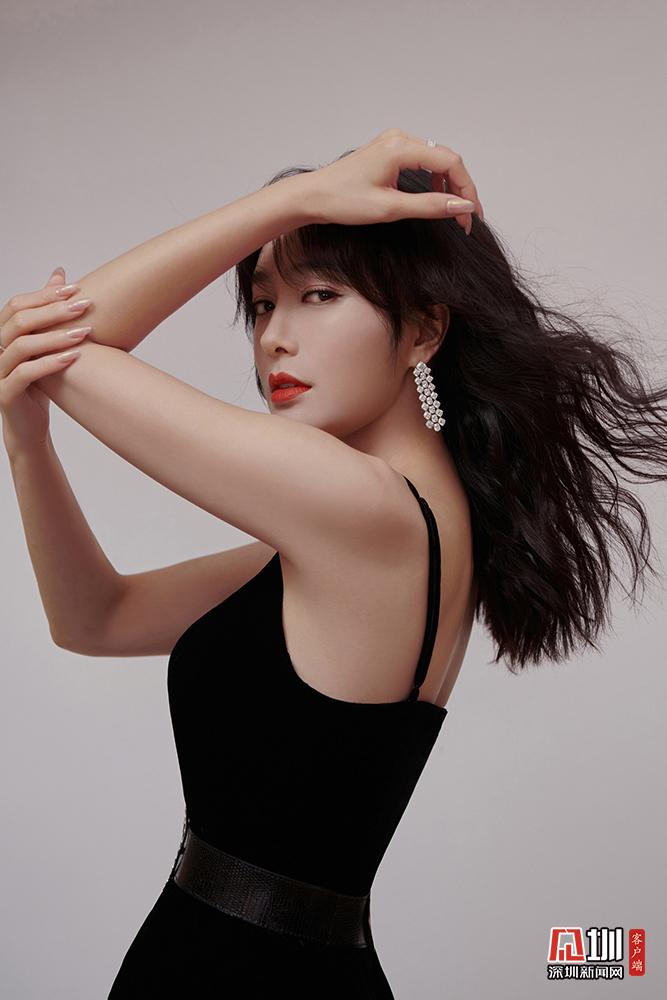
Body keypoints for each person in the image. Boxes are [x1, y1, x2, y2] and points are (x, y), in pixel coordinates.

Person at [1, 128, 665, 998]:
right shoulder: (384, 525)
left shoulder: (363, 511)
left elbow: (61, 342)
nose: (275, 338)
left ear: (423, 328)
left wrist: (291, 199)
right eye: (261, 304)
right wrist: (28, 441)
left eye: (319, 295)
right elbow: (96, 618)